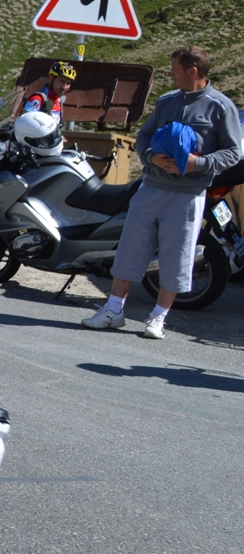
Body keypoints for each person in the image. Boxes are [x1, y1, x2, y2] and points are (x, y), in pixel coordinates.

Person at [83, 46, 242, 339]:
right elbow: (144, 136)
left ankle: (158, 318)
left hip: (188, 195)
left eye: (175, 69)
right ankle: (113, 311)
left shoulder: (221, 107)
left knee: (176, 256)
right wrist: (151, 157)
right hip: (150, 188)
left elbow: (233, 152)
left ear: (192, 71)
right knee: (130, 249)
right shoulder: (167, 101)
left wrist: (199, 164)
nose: (170, 74)